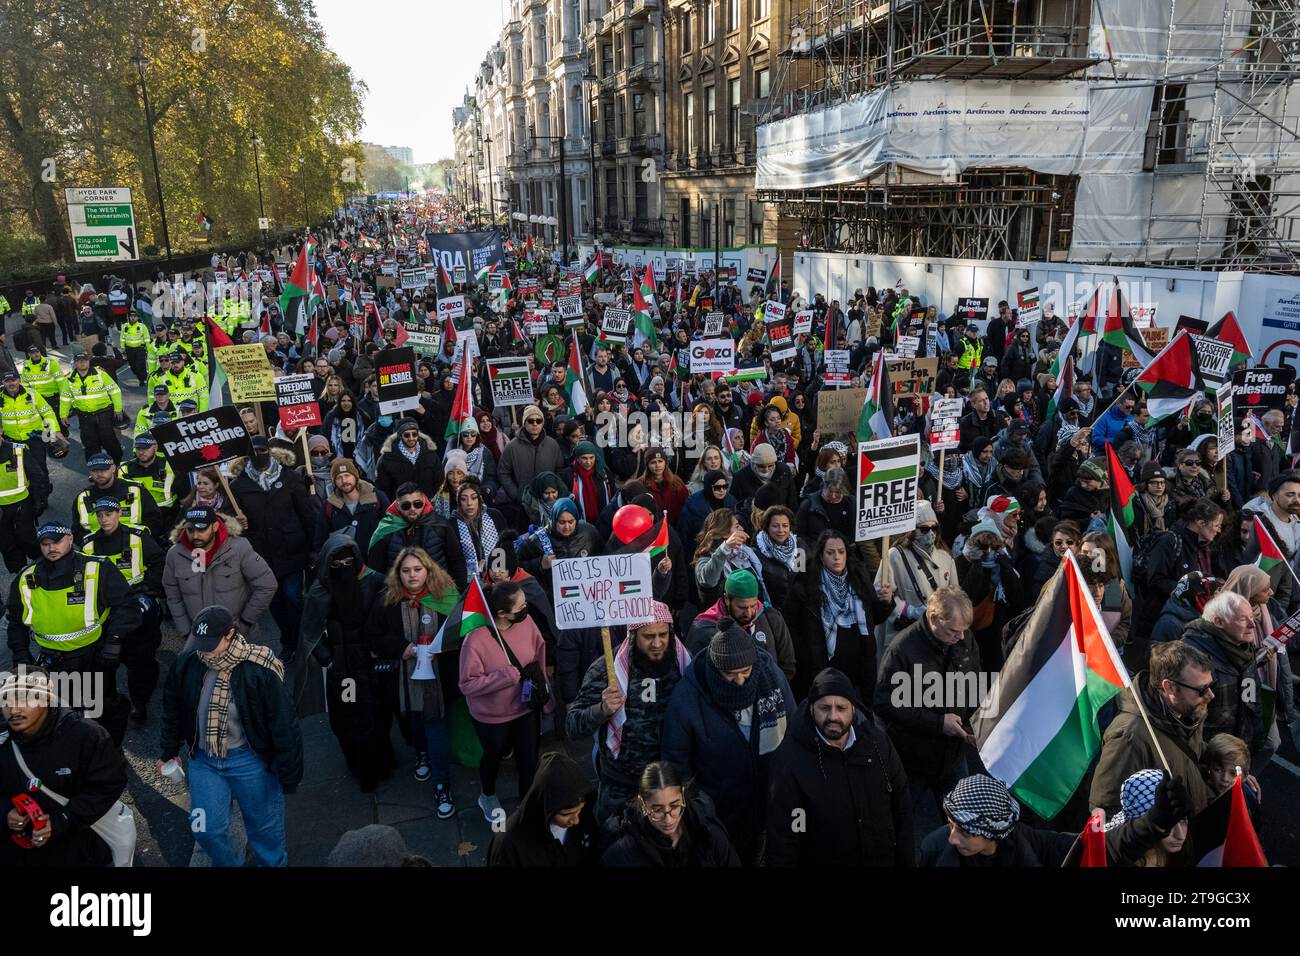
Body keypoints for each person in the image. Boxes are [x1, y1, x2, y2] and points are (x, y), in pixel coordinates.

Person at [157, 605, 303, 867]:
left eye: (210, 643)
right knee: (205, 829)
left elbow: (283, 722)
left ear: (231, 634)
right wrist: (168, 750)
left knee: (264, 830)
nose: (203, 650)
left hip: (250, 762)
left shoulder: (259, 668)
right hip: (204, 762)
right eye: (199, 642)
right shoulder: (187, 663)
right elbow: (173, 708)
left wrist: (288, 770)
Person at [661, 617, 795, 863]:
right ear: (715, 669)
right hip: (719, 819)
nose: (741, 680)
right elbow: (676, 764)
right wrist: (698, 815)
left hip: (770, 807)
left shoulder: (771, 677)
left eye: (746, 672)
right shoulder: (688, 697)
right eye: (731, 675)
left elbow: (793, 731)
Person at [6, 522, 139, 746]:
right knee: (60, 715)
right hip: (51, 661)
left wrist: (114, 642)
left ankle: (109, 756)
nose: (51, 548)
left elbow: (127, 606)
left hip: (92, 657)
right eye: (45, 544)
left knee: (99, 712)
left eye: (56, 542)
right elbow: (16, 621)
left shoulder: (97, 569)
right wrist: (20, 654)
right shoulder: (26, 578)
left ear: (70, 539)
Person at [766, 667, 913, 866]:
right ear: (811, 709)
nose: (833, 717)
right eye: (824, 708)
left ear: (853, 709)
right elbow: (786, 835)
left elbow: (901, 808)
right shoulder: (790, 760)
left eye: (841, 708)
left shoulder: (878, 744)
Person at [875, 588, 980, 846]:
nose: (961, 637)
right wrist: (937, 723)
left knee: (966, 825)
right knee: (917, 834)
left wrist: (975, 723)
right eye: (954, 631)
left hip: (954, 754)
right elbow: (884, 703)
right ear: (934, 618)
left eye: (964, 630)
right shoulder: (903, 649)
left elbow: (975, 683)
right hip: (914, 761)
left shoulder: (964, 639)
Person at [565, 602, 688, 821]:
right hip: (621, 787)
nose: (658, 643)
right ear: (632, 636)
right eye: (648, 636)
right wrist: (601, 710)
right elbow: (573, 726)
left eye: (663, 635)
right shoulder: (606, 670)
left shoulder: (683, 666)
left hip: (669, 786)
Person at [294, 534, 395, 792]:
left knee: (379, 715)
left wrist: (381, 651)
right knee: (349, 718)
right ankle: (362, 768)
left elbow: (388, 620)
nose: (343, 568)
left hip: (372, 665)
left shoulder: (375, 581)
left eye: (348, 562)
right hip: (344, 671)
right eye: (337, 564)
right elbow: (310, 632)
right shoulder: (320, 590)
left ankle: (383, 763)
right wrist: (328, 659)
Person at [365, 546, 461, 813]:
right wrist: (401, 648)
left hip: (440, 680)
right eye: (405, 571)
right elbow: (374, 637)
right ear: (398, 574)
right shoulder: (387, 600)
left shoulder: (447, 596)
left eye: (417, 569)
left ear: (428, 570)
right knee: (414, 720)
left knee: (436, 727)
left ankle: (442, 786)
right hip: (403, 680)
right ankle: (421, 752)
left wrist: (443, 647)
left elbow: (463, 633)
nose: (412, 575)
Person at [0, 670, 128, 867]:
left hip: (83, 849)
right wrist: (5, 812)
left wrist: (63, 819)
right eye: (6, 701)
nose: (14, 709)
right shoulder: (3, 746)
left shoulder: (87, 735)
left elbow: (109, 784)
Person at [459, 579, 548, 825]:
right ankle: (487, 795)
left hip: (526, 707)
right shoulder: (475, 640)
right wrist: (502, 678)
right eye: (520, 607)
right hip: (492, 716)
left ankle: (528, 805)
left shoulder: (528, 622)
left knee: (529, 759)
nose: (526, 609)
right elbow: (467, 684)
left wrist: (545, 696)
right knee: (493, 756)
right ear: (502, 614)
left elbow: (538, 656)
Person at [1090, 641, 1214, 816]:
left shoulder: (1188, 711)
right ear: (1168, 687)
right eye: (1202, 690)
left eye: (1211, 685)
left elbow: (1192, 756)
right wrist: (1157, 833)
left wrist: (1227, 765)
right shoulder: (1130, 736)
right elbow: (1107, 810)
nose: (1210, 695)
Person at [80, 497, 165, 724]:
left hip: (137, 607)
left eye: (108, 514)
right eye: (99, 515)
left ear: (119, 514)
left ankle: (140, 703)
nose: (103, 519)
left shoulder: (137, 538)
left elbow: (159, 562)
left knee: (140, 658)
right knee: (105, 661)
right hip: (106, 611)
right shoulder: (88, 544)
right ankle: (106, 706)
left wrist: (149, 587)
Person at [230, 436, 314, 662]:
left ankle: (301, 639)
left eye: (262, 449)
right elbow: (232, 524)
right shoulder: (238, 486)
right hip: (262, 554)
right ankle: (288, 641)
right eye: (254, 451)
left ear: (270, 450)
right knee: (275, 602)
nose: (259, 454)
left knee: (293, 596)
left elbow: (306, 513)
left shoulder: (289, 478)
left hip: (292, 549)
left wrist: (313, 547)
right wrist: (238, 523)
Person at [787, 529, 881, 702]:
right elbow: (791, 624)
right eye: (830, 553)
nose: (836, 557)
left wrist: (886, 601)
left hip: (857, 661)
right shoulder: (805, 584)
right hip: (823, 662)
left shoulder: (859, 577)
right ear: (821, 556)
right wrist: (807, 654)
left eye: (841, 552)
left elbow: (876, 616)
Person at [162, 505, 278, 641]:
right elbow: (173, 597)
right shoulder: (175, 555)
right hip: (199, 639)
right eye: (190, 529)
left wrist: (245, 623)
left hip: (239, 637)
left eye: (202, 529)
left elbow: (267, 584)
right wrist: (186, 632)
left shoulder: (239, 548)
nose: (195, 535)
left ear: (215, 526)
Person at [600, 760, 740, 867]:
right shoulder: (624, 853)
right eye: (657, 810)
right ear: (643, 804)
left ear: (683, 796)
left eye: (674, 806)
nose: (668, 819)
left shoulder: (708, 835)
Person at [1132, 498, 1227, 640]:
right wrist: (1189, 588)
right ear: (1201, 523)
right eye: (1216, 525)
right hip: (1164, 621)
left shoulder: (1208, 546)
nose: (1218, 531)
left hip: (1194, 620)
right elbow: (1155, 580)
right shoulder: (1169, 541)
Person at [873, 500, 958, 656]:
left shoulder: (946, 557)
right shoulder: (895, 555)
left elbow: (955, 594)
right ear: (913, 530)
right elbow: (882, 592)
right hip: (905, 635)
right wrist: (909, 611)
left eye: (934, 528)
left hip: (937, 634)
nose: (931, 533)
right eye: (924, 529)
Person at [487, 751, 599, 867]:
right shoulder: (507, 845)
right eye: (566, 814)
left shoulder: (584, 817)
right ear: (545, 807)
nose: (576, 821)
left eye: (579, 810)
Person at [686, 567, 797, 680]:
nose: (749, 613)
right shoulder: (703, 630)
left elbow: (787, 665)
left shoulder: (771, 618)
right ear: (727, 599)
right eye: (742, 607)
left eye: (753, 606)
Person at [0, 369, 59, 513]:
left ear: (19, 380)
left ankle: (41, 499)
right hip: (12, 442)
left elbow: (47, 412)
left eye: (13, 380)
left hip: (34, 440)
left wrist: (54, 430)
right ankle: (29, 497)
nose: (11, 384)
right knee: (21, 472)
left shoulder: (31, 394)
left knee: (39, 470)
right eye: (7, 381)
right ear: (3, 383)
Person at [441, 478, 512, 589]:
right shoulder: (452, 524)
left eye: (473, 498)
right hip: (467, 581)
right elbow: (454, 559)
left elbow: (506, 546)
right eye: (464, 499)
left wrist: (502, 573)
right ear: (459, 502)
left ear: (479, 499)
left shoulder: (495, 515)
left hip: (499, 574)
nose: (469, 503)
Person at [59, 350, 124, 463]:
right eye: (79, 361)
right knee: (90, 444)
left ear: (89, 362)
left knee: (109, 441)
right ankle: (95, 467)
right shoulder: (69, 379)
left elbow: (115, 391)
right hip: (85, 417)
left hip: (103, 413)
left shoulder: (100, 374)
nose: (82, 363)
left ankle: (117, 463)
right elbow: (65, 398)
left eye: (84, 360)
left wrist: (118, 408)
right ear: (75, 363)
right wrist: (63, 414)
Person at [312, 457, 389, 551]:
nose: (344, 481)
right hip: (347, 562)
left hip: (376, 560)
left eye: (347, 475)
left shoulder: (377, 498)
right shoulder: (329, 506)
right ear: (334, 482)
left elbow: (391, 529)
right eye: (339, 478)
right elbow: (321, 540)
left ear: (355, 476)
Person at [498, 404, 565, 508]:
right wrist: (517, 495)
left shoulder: (552, 445)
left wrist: (553, 491)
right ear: (524, 422)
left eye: (538, 421)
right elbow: (503, 473)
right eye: (531, 421)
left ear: (542, 423)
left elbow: (560, 470)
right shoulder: (511, 446)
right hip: (523, 504)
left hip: (549, 502)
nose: (535, 424)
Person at [375, 418, 443, 501]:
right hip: (401, 507)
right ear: (400, 435)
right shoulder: (387, 458)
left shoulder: (430, 455)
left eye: (414, 434)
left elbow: (439, 481)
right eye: (407, 435)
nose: (411, 438)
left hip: (427, 504)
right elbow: (384, 488)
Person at [0, 435, 38, 573]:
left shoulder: (19, 450)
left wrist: (39, 501)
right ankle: (19, 574)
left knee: (28, 539)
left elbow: (36, 475)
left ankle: (40, 566)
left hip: (21, 506)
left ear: (1, 431)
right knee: (7, 545)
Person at [794, 465, 854, 541]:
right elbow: (799, 535)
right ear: (824, 487)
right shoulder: (808, 505)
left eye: (838, 492)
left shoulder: (851, 503)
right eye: (830, 491)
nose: (833, 496)